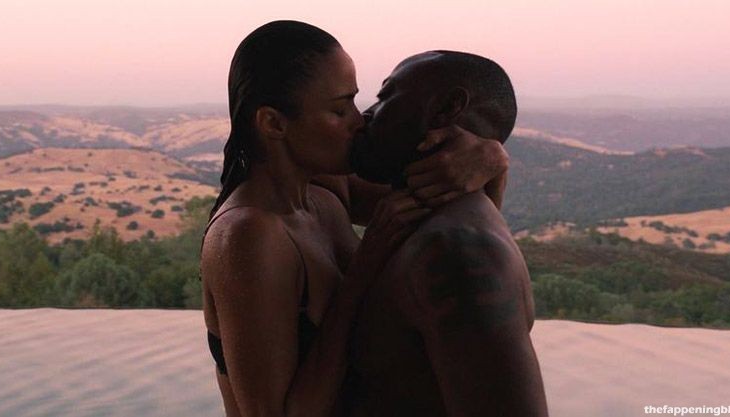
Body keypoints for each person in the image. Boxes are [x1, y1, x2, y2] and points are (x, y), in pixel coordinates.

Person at [199, 22, 510, 417]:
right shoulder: (249, 234)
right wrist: (365, 265)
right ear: (273, 123)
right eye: (339, 109)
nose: (359, 121)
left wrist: (492, 161)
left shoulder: (326, 191)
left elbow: (444, 214)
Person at [341, 50, 549, 416]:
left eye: (386, 97)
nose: (365, 116)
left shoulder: (458, 252)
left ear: (447, 108)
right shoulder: (421, 219)